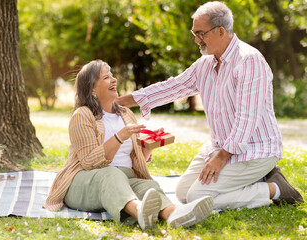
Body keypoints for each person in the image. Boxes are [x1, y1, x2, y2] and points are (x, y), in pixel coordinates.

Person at [116, 1, 303, 209]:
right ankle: (254, 180)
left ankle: (275, 188)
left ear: (221, 31)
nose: (196, 40)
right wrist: (123, 101)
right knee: (183, 193)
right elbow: (173, 87)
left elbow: (247, 120)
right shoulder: (206, 64)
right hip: (219, 146)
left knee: (199, 196)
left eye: (201, 33)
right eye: (194, 33)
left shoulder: (249, 61)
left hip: (256, 149)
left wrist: (221, 158)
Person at [44, 60, 213, 229]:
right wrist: (119, 137)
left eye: (112, 75)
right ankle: (139, 211)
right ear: (92, 89)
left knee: (148, 185)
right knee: (111, 174)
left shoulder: (126, 114)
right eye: (106, 77)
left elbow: (135, 159)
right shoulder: (82, 115)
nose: (114, 80)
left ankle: (174, 214)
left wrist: (147, 147)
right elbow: (89, 162)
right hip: (83, 183)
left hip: (122, 180)